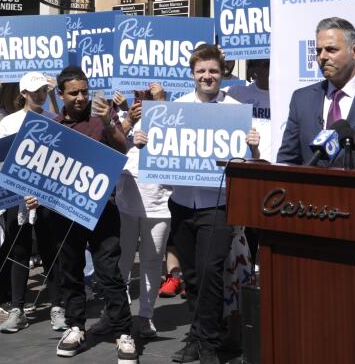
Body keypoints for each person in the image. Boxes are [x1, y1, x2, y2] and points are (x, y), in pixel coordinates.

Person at [148, 44, 260, 364]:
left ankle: (209, 343)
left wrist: (253, 148)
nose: (207, 76)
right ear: (192, 74)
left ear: (222, 72)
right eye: (201, 71)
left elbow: (249, 164)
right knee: (194, 276)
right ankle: (197, 337)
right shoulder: (177, 107)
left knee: (211, 272)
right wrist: (146, 141)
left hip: (219, 204)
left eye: (213, 70)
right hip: (183, 203)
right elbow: (161, 151)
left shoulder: (236, 109)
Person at [39, 65, 137, 363]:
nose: (80, 97)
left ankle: (123, 331)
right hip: (65, 212)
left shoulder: (101, 122)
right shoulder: (52, 126)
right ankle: (75, 326)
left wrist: (109, 120)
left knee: (109, 272)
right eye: (73, 93)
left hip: (102, 211)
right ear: (60, 95)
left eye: (84, 91)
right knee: (69, 271)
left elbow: (122, 147)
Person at [0, 72, 58, 334]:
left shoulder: (54, 119)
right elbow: (2, 159)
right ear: (23, 94)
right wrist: (23, 190)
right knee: (18, 251)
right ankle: (17, 308)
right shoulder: (10, 122)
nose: (39, 95)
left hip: (47, 198)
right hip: (17, 198)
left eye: (43, 90)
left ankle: (57, 305)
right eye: (34, 91)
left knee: (50, 251)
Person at [115, 83, 171, 339]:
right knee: (123, 259)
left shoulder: (171, 115)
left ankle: (146, 315)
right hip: (127, 198)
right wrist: (128, 125)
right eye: (139, 94)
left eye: (149, 93)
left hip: (160, 200)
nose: (144, 96)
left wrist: (161, 102)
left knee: (151, 260)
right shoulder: (126, 119)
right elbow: (113, 148)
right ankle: (121, 313)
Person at [276, 17, 355, 165]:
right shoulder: (301, 99)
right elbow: (287, 160)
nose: (322, 57)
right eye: (318, 51)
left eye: (331, 50)